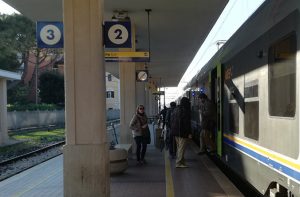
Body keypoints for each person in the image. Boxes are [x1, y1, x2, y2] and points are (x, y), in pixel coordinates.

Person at [170, 97, 192, 168]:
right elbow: (186, 123)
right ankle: (178, 163)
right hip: (182, 132)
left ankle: (182, 162)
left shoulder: (176, 109)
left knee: (179, 147)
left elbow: (172, 121)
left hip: (176, 132)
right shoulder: (184, 111)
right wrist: (189, 133)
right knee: (181, 148)